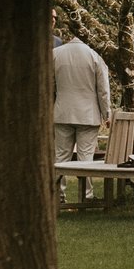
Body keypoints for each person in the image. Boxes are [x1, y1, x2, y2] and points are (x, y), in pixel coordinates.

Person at [51, 25, 115, 164]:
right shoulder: (95, 55)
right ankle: (84, 180)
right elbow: (103, 90)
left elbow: (50, 84)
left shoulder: (55, 53)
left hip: (62, 112)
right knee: (86, 158)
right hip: (88, 115)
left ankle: (57, 179)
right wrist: (107, 114)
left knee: (60, 156)